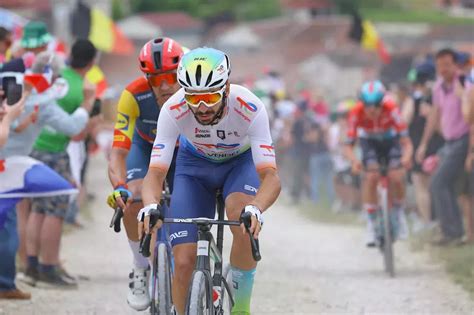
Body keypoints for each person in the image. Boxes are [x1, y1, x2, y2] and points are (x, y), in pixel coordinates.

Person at [138, 47, 281, 315]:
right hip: (194, 168)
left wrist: (257, 208)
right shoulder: (173, 109)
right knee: (182, 262)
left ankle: (240, 309)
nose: (202, 107)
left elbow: (271, 177)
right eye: (193, 98)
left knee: (242, 220)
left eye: (211, 97)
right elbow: (155, 172)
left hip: (239, 164)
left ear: (226, 88)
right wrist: (149, 205)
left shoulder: (250, 106)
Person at [0, 51, 91, 299]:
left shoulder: (11, 96)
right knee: (48, 209)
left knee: (28, 214)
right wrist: (86, 106)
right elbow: (72, 127)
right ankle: (29, 274)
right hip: (19, 163)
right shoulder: (39, 100)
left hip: (22, 160)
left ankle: (27, 267)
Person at [106, 37, 184, 311]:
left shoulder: (193, 91)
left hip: (181, 152)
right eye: (155, 78)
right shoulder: (133, 94)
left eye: (170, 77)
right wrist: (119, 185)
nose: (164, 85)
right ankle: (140, 267)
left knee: (188, 203)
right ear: (146, 78)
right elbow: (117, 152)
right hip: (146, 147)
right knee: (133, 197)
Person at [22, 40, 97, 287]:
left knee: (37, 208)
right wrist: (89, 103)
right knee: (55, 209)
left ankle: (31, 264)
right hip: (55, 151)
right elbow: (76, 134)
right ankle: (49, 267)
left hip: (33, 147)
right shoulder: (80, 87)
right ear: (91, 61)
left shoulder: (56, 76)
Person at [344, 80, 413, 246]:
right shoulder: (356, 112)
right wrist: (354, 161)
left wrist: (406, 158)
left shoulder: (392, 109)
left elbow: (406, 142)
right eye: (367, 105)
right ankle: (371, 222)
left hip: (390, 141)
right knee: (371, 176)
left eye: (376, 105)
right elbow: (348, 145)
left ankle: (399, 213)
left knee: (396, 175)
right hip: (369, 142)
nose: (372, 109)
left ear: (383, 102)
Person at [416, 48, 470, 245]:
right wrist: (423, 143)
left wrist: (463, 94)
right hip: (448, 142)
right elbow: (434, 115)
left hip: (463, 140)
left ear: (455, 64)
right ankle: (452, 231)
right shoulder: (438, 87)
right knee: (443, 184)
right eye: (440, 66)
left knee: (439, 183)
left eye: (447, 65)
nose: (443, 69)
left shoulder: (464, 83)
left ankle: (452, 232)